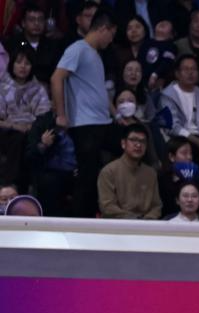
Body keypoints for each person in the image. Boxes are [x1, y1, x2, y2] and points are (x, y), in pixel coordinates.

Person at [50, 8, 116, 218]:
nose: (111, 40)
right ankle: (80, 221)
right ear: (104, 29)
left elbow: (99, 89)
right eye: (112, 34)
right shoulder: (77, 49)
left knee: (101, 167)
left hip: (102, 122)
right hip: (85, 123)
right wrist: (61, 114)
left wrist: (117, 115)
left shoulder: (95, 54)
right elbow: (56, 78)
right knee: (87, 176)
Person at [0, 47, 50, 186]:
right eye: (19, 62)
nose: (23, 66)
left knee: (36, 140)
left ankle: (28, 186)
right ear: (12, 64)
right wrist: (16, 126)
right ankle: (11, 185)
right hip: (8, 130)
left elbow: (44, 115)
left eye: (27, 63)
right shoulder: (2, 87)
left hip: (32, 130)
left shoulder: (38, 88)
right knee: (18, 138)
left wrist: (31, 127)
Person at [97, 123, 162, 220]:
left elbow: (156, 206)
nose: (138, 145)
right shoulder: (109, 171)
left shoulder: (151, 173)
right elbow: (107, 207)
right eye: (133, 140)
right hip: (118, 224)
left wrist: (147, 220)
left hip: (146, 223)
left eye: (142, 141)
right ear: (123, 143)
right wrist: (134, 220)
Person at [159, 54, 199, 153]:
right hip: (178, 139)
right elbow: (172, 126)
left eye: (193, 69)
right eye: (186, 69)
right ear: (177, 74)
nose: (190, 73)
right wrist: (196, 141)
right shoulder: (167, 95)